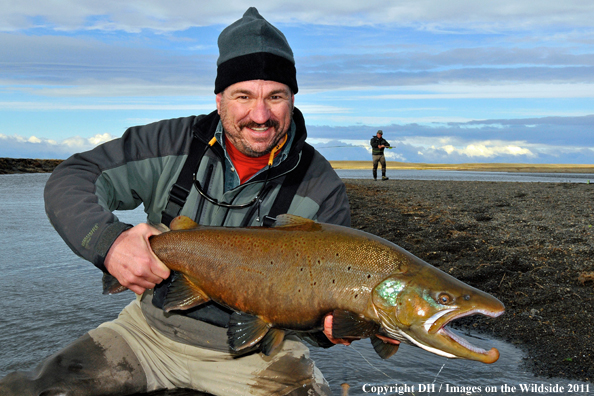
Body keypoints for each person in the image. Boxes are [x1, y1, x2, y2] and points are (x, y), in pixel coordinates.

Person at [0, 8, 353, 396]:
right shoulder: (169, 143)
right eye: (243, 96)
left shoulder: (322, 188)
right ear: (219, 99)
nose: (260, 114)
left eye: (276, 96)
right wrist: (110, 243)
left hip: (259, 356)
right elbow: (72, 177)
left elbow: (323, 329)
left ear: (292, 99)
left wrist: (333, 328)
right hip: (147, 333)